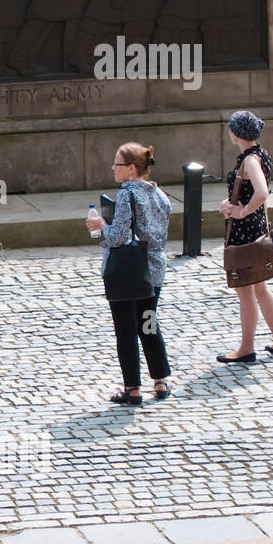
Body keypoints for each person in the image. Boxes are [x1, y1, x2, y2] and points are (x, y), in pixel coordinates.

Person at [85, 143, 173, 406]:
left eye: (117, 164)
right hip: (154, 268)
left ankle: (132, 388)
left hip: (128, 271)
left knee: (125, 330)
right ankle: (160, 380)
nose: (113, 168)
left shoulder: (127, 195)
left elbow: (118, 237)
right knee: (149, 323)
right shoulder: (160, 194)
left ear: (132, 168)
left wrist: (102, 224)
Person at [217, 110, 273, 363]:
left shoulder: (250, 160)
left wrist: (242, 211)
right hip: (257, 229)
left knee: (246, 294)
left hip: (245, 233)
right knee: (261, 289)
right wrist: (232, 203)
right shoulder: (259, 153)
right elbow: (249, 191)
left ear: (236, 133)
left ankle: (246, 349)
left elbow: (262, 192)